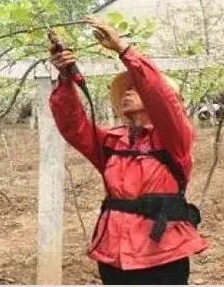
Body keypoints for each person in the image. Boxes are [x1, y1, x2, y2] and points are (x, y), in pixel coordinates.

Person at [48, 15, 209, 285]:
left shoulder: (173, 139)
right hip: (113, 254)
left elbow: (162, 97)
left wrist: (123, 49)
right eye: (127, 89)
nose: (127, 93)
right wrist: (65, 77)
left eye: (135, 88)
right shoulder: (112, 143)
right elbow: (72, 126)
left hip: (162, 256)